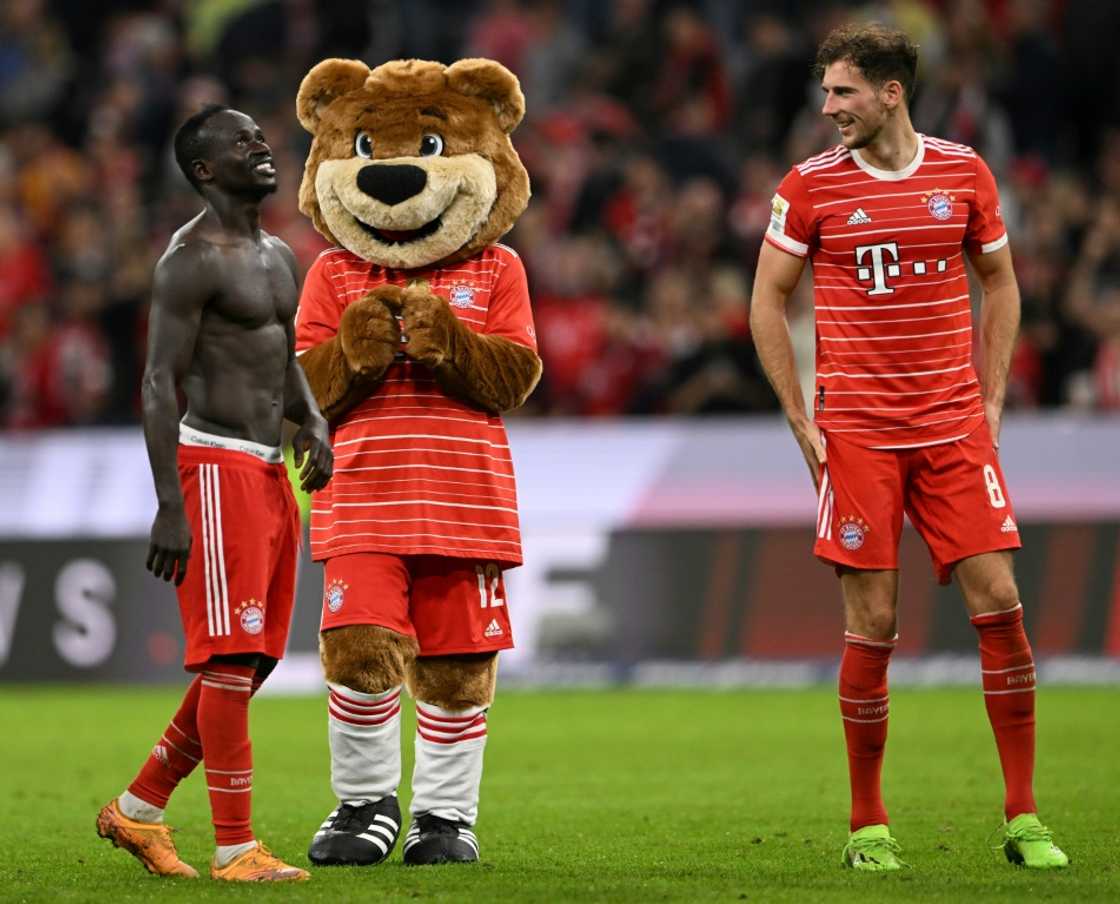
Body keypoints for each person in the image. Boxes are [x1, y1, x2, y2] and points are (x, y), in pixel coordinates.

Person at [749, 24, 1068, 871]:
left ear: (891, 92)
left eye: (843, 92)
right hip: (858, 435)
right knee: (874, 622)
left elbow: (1000, 281)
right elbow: (764, 303)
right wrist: (798, 414)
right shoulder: (808, 188)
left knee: (1001, 601)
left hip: (953, 427)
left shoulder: (964, 172)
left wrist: (993, 395)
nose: (828, 108)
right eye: (825, 93)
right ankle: (868, 826)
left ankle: (1025, 816)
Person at [95, 105, 332, 882]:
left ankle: (137, 809)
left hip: (270, 469)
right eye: (241, 142)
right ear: (204, 170)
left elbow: (280, 354)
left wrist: (312, 418)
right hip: (216, 466)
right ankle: (236, 848)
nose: (261, 148)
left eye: (261, 138)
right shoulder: (188, 259)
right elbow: (159, 382)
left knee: (252, 662)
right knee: (230, 657)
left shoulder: (275, 255)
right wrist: (169, 501)